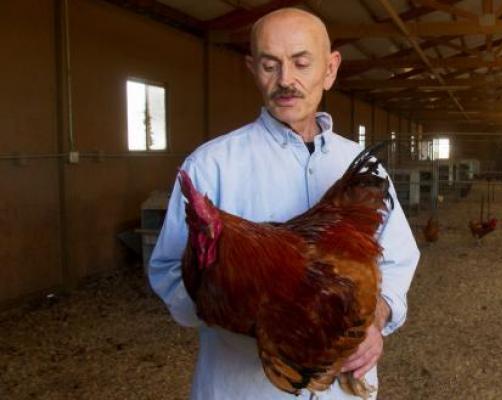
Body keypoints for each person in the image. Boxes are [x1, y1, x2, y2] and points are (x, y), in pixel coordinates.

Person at [148, 7, 420, 400]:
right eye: (269, 65)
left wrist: (373, 321)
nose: (285, 80)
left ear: (330, 69)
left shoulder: (361, 167)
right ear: (252, 69)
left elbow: (398, 260)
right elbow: (169, 271)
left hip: (346, 387)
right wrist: (253, 313)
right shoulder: (210, 165)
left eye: (301, 63)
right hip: (247, 389)